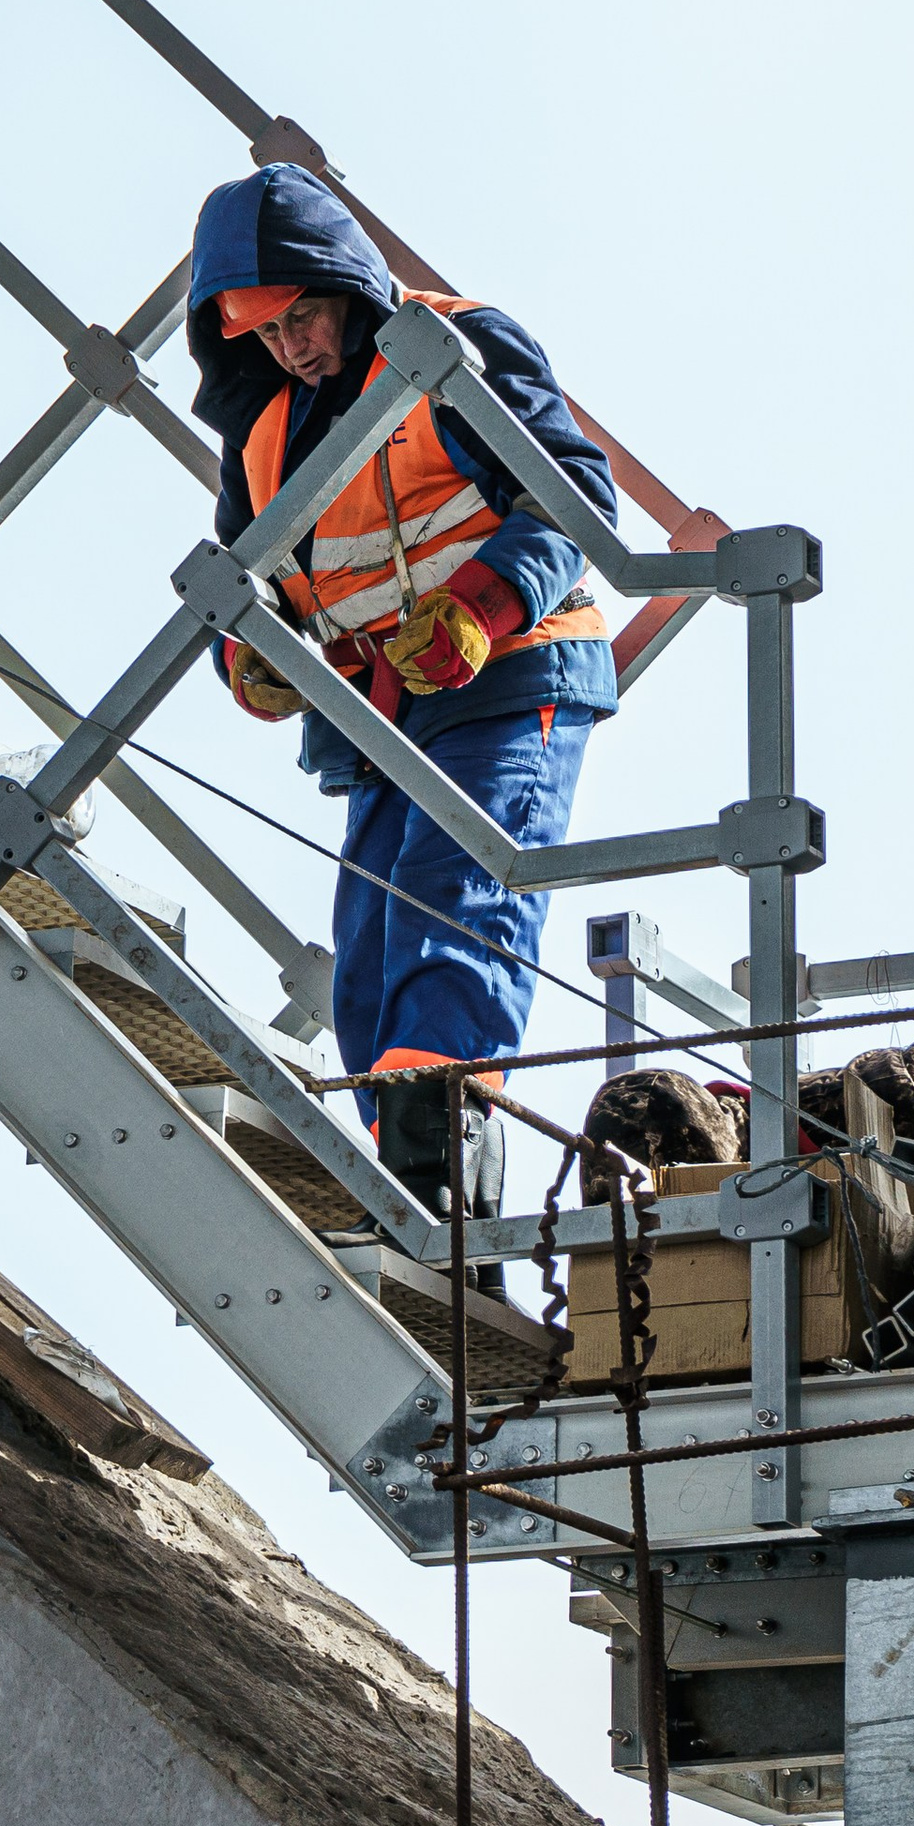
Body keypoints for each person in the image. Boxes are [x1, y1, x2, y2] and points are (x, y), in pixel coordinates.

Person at [186, 163, 618, 1224]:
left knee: (456, 907)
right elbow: (254, 588)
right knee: (368, 977)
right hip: (379, 722)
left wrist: (482, 607)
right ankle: (413, 1194)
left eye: (303, 317)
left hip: (510, 681)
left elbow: (572, 496)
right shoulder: (266, 434)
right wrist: (249, 658)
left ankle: (442, 1178)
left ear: (344, 285)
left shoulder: (451, 345)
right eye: (267, 333)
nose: (292, 346)